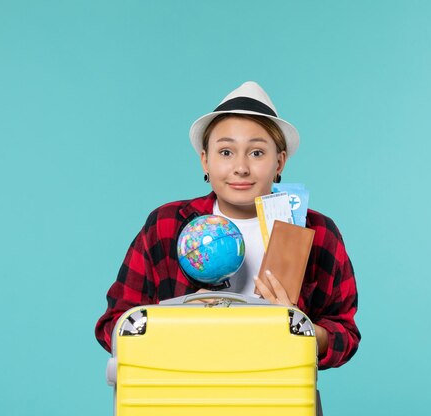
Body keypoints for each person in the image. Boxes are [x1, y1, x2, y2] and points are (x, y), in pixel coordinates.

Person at [95, 81, 360, 369]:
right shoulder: (165, 225)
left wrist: (297, 325)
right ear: (205, 162)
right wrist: (172, 317)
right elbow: (113, 325)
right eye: (226, 152)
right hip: (184, 392)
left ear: (280, 162)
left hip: (275, 392)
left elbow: (345, 335)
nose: (241, 167)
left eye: (257, 152)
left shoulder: (317, 232)